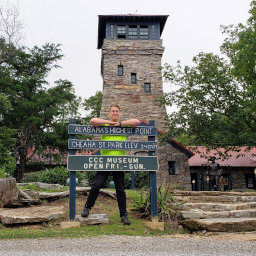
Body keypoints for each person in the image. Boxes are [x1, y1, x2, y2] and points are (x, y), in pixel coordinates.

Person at [81, 104, 140, 225]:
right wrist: (111, 123)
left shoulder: (123, 125)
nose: (115, 113)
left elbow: (137, 122)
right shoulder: (105, 124)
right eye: (113, 111)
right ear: (109, 113)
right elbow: (93, 121)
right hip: (105, 160)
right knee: (97, 184)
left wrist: (120, 124)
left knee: (120, 189)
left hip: (119, 161)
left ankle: (124, 215)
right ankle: (87, 207)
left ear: (119, 113)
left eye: (117, 111)